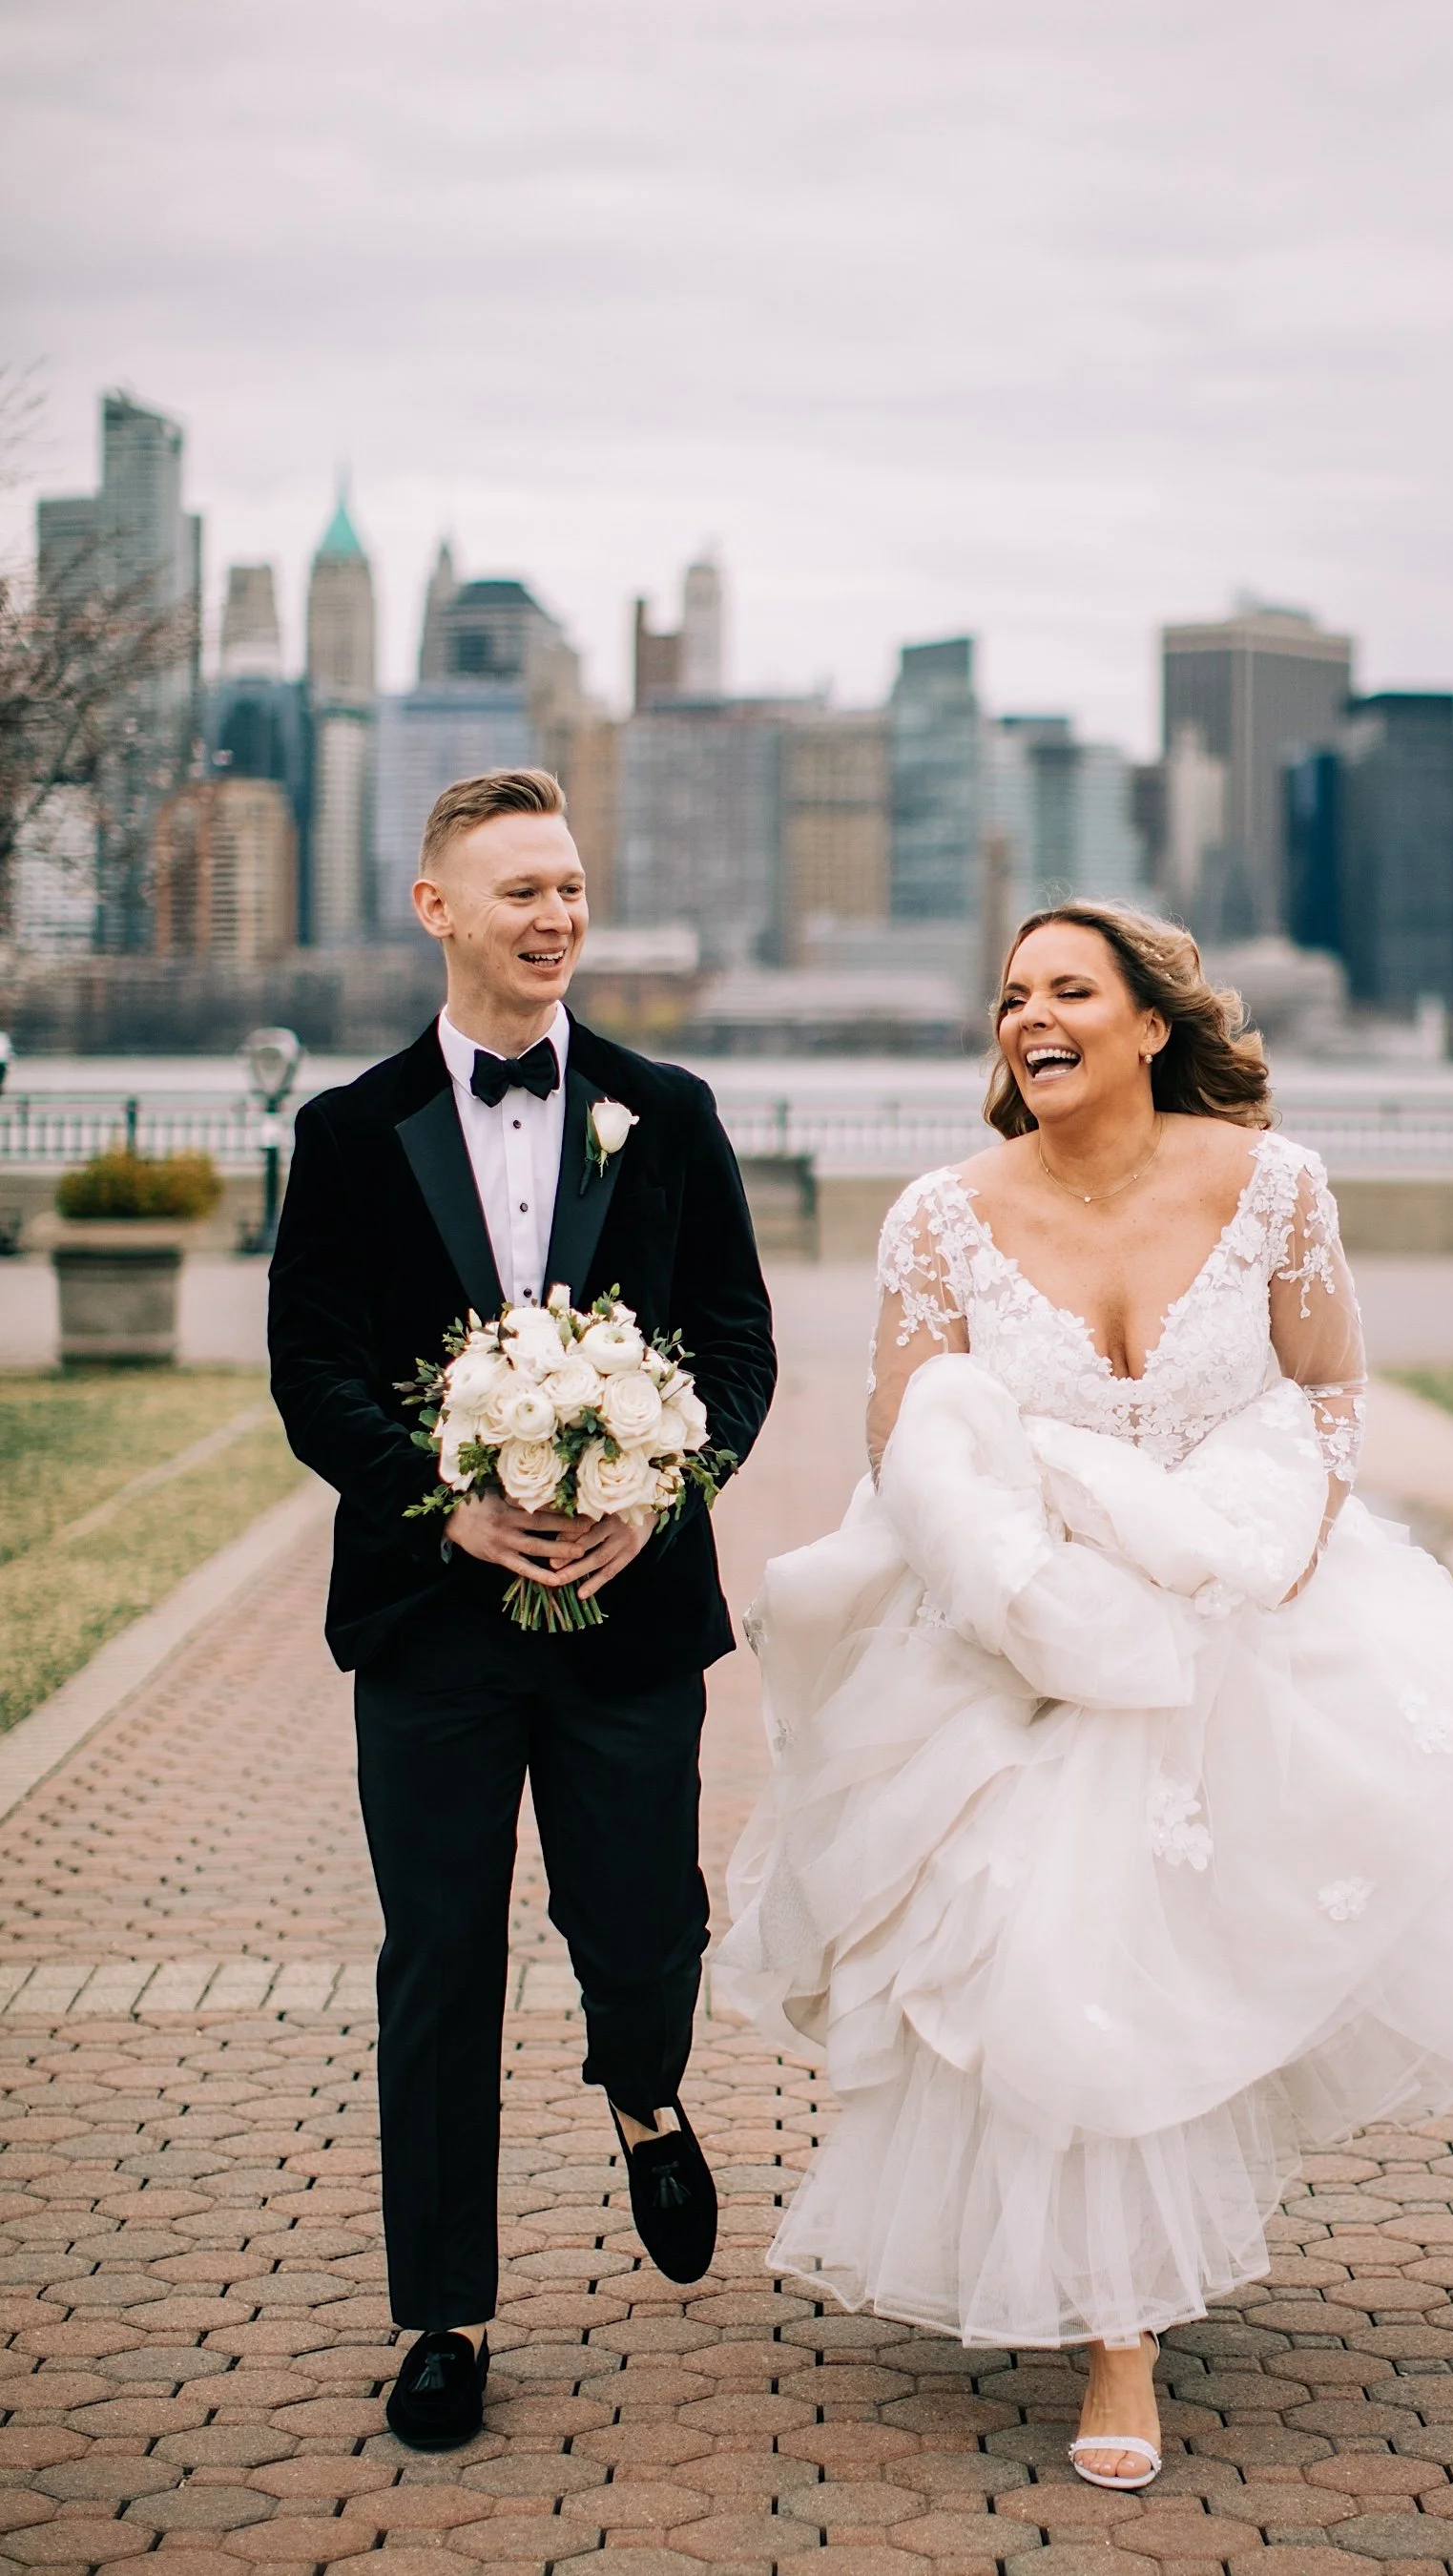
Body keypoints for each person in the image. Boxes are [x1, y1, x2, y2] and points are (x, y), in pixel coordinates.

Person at [720, 902, 1453, 2491]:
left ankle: (1120, 2288)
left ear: (1146, 1024)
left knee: (1169, 1945)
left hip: (1233, 1619)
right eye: (1007, 996)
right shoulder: (942, 1217)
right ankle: (1119, 2338)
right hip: (1016, 1628)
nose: (1027, 1017)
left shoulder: (1275, 1187)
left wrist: (1265, 1545)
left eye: (1067, 990)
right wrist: (1039, 1585)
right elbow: (908, 1453)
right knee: (1052, 1938)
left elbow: (1325, 1391)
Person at [269, 767, 776, 2450]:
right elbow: (311, 1372)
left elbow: (736, 1348)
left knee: (644, 1936)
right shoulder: (345, 1135)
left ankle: (642, 2090)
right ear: (438, 910)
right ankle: (445, 2317)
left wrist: (653, 1493)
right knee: (440, 1965)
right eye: (521, 892)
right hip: (429, 1624)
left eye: (571, 887)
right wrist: (450, 1500)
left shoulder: (669, 1111)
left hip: (631, 1616)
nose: (556, 916)